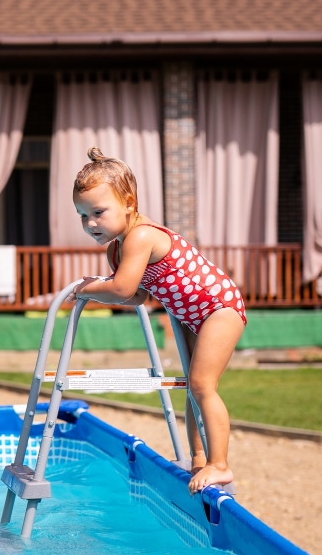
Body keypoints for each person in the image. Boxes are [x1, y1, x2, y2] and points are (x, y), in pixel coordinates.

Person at [70, 146, 246, 494]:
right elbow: (136, 295)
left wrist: (87, 288)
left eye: (99, 212)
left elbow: (121, 289)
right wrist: (102, 288)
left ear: (129, 202)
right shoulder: (116, 248)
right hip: (190, 315)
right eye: (83, 215)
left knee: (201, 385)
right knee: (192, 388)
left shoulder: (142, 235)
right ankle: (199, 458)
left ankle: (220, 465)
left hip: (218, 307)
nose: (91, 223)